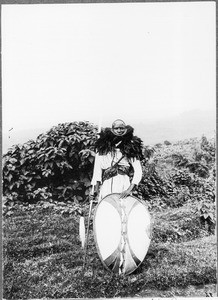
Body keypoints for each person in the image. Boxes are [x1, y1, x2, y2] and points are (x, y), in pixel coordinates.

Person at [90, 119, 143, 202]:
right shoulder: (103, 147)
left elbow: (138, 170)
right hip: (107, 183)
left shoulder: (131, 147)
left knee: (123, 208)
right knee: (108, 206)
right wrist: (95, 189)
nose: (119, 130)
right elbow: (97, 169)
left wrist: (129, 189)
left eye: (121, 128)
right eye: (116, 128)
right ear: (112, 130)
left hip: (123, 183)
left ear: (125, 129)